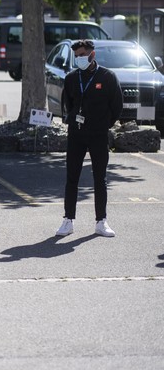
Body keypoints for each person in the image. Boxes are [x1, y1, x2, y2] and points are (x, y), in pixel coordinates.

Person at [56, 39, 123, 238]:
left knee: (99, 178)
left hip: (98, 135)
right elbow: (67, 104)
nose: (79, 59)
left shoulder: (108, 77)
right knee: (72, 178)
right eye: (76, 56)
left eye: (82, 55)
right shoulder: (71, 78)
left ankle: (101, 221)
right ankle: (68, 220)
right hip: (76, 134)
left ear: (92, 55)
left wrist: (103, 125)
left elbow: (116, 106)